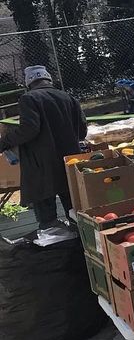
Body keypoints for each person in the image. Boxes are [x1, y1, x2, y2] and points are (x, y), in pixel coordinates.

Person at [0, 66, 87, 226]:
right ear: (49, 79)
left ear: (29, 83)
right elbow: (82, 132)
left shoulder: (29, 99)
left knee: (48, 220)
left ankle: (56, 245)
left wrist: (5, 142)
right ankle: (80, 243)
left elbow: (29, 129)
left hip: (41, 167)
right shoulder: (69, 98)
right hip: (69, 164)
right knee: (75, 212)